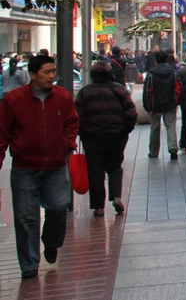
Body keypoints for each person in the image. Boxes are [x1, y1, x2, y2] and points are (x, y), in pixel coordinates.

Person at [0, 56, 79, 279]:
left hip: (55, 165)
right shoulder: (14, 100)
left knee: (58, 206)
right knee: (26, 217)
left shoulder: (62, 97)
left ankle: (51, 242)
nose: (52, 76)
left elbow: (72, 122)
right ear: (33, 75)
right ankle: (29, 264)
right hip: (25, 167)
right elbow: (2, 132)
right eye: (46, 72)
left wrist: (67, 143)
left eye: (53, 71)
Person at [75, 63, 137, 216]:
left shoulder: (85, 92)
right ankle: (116, 196)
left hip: (92, 136)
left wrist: (82, 132)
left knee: (95, 170)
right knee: (115, 167)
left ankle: (98, 207)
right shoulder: (119, 89)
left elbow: (78, 116)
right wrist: (124, 130)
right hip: (116, 135)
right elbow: (131, 112)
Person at [143, 51, 182, 160]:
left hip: (155, 106)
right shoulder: (173, 73)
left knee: (155, 128)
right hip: (170, 104)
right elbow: (179, 89)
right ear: (166, 60)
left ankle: (153, 152)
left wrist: (148, 106)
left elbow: (147, 91)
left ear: (156, 60)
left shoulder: (151, 74)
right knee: (170, 126)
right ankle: (173, 148)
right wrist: (177, 102)